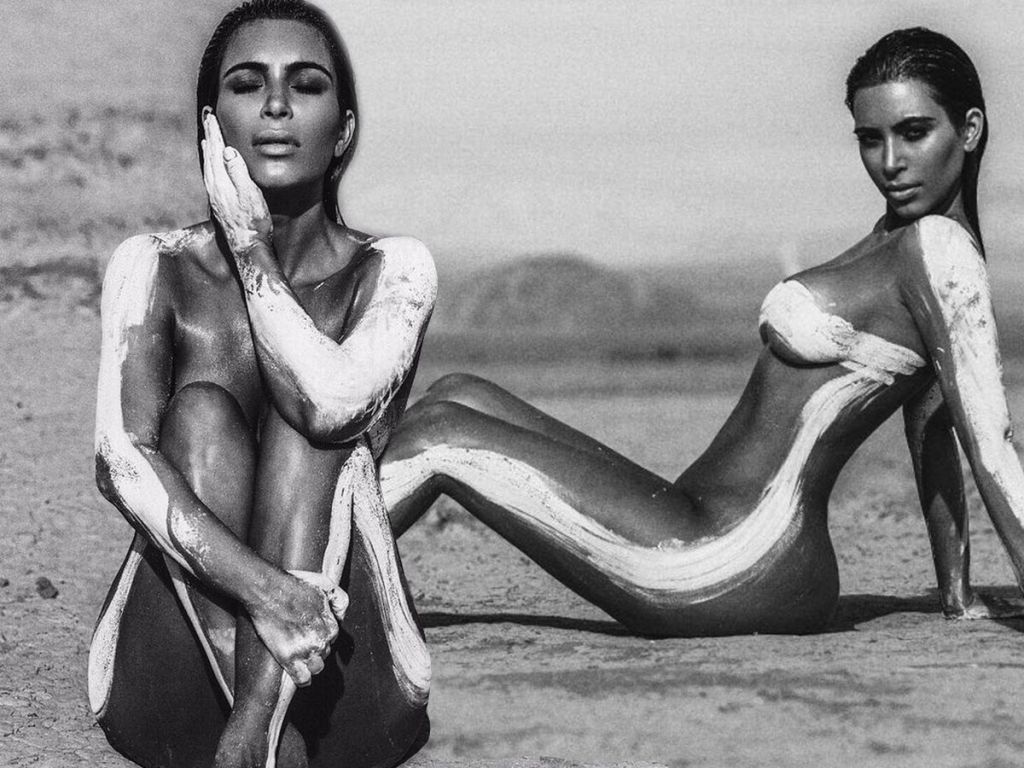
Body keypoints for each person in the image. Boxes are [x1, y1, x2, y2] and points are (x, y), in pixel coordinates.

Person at [380, 27, 1024, 638]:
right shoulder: (897, 240)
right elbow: (930, 426)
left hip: (735, 557)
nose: (890, 162)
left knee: (440, 437)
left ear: (969, 130)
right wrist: (956, 593)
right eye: (869, 139)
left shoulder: (941, 251)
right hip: (693, 514)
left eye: (914, 133)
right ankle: (321, 564)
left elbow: (985, 438)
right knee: (458, 391)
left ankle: (319, 585)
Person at [89, 2, 435, 766]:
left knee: (308, 417)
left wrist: (252, 251)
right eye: (248, 85)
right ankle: (264, 731)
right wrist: (270, 596)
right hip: (170, 679)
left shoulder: (394, 271)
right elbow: (120, 461)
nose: (276, 104)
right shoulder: (152, 266)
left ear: (343, 130)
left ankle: (257, 727)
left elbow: (328, 404)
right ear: (211, 126)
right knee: (200, 418)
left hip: (346, 688)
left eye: (305, 85)